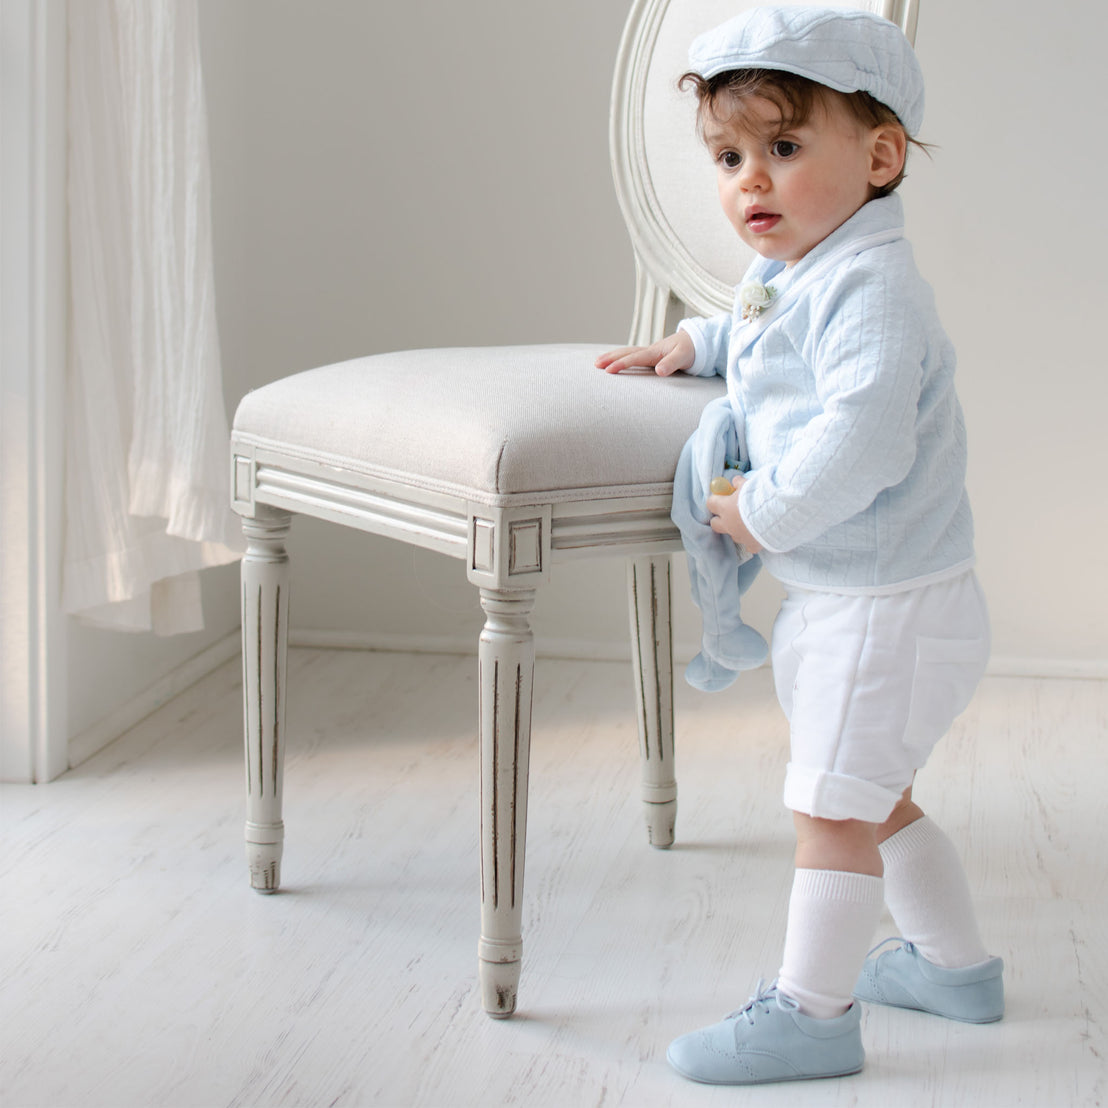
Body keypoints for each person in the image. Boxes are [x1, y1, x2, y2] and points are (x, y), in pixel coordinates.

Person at [596, 5, 1004, 1087]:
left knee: (828, 809)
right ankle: (954, 969)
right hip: (884, 600)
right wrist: (698, 340)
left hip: (881, 605)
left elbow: (861, 436)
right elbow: (772, 335)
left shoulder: (873, 288)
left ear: (877, 158)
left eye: (782, 148)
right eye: (728, 157)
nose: (749, 183)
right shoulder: (812, 270)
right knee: (876, 797)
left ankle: (812, 1016)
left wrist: (760, 511)